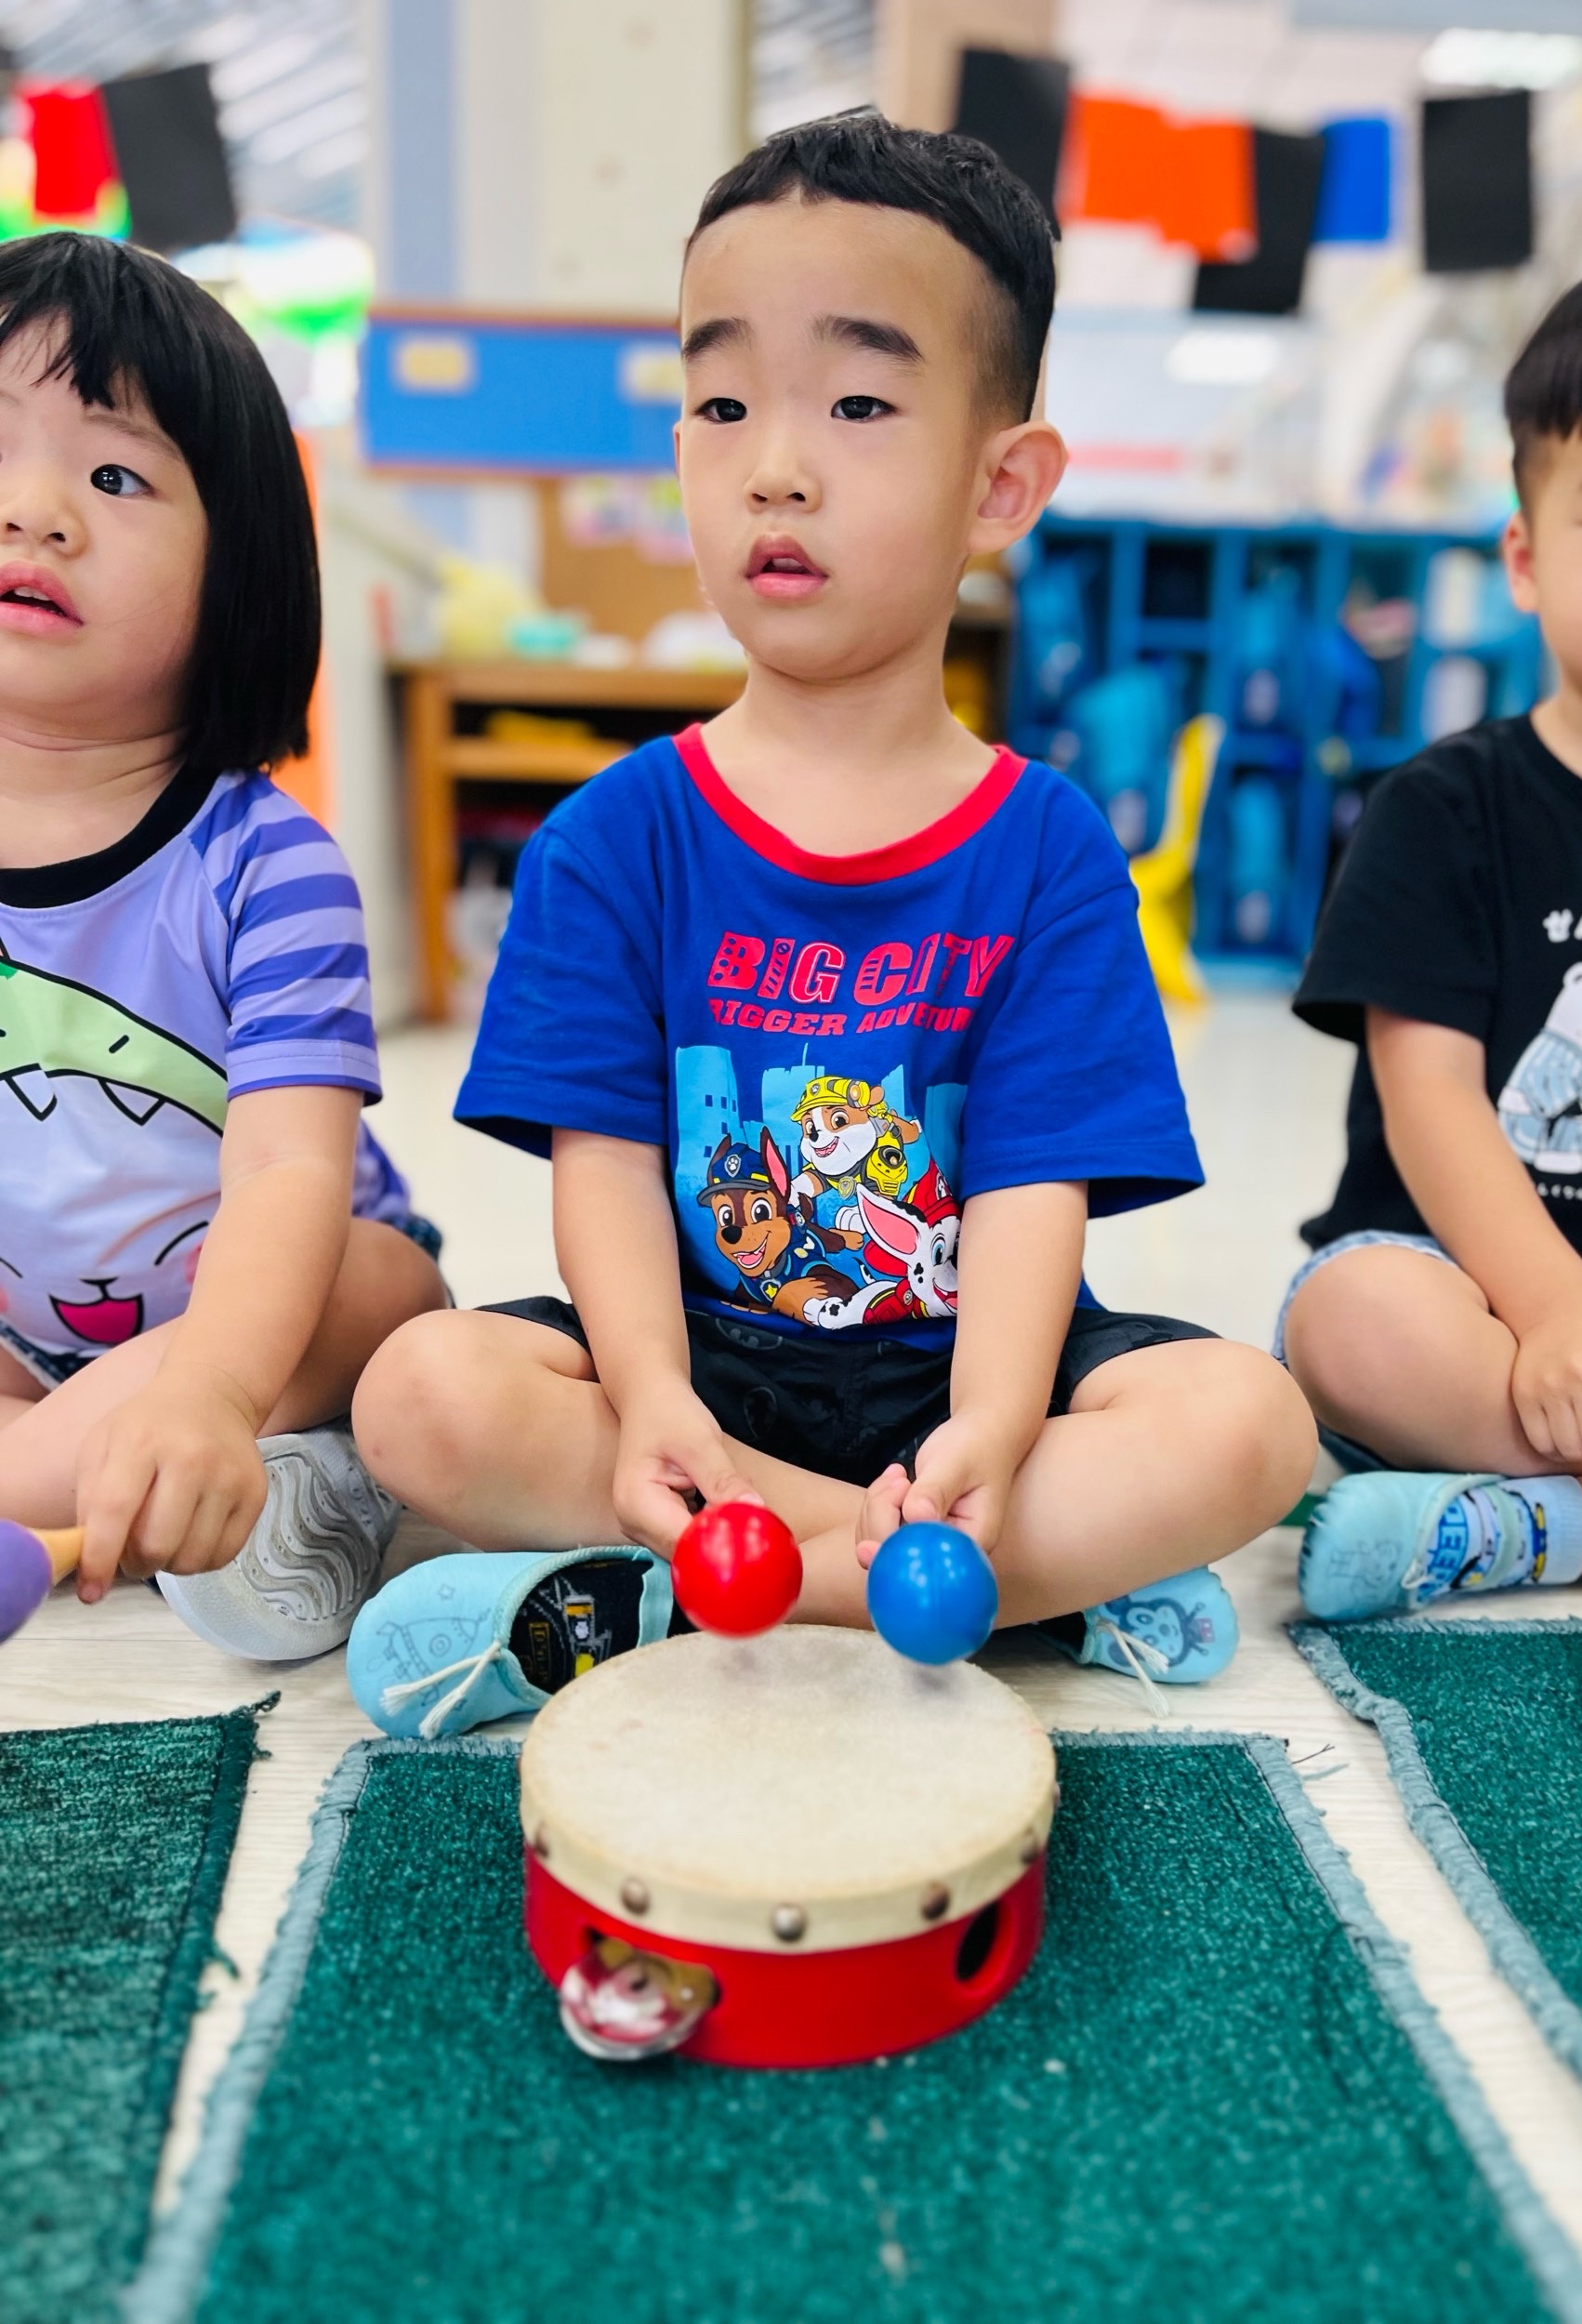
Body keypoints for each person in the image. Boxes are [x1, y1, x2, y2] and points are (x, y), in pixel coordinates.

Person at [348, 111, 1313, 1739]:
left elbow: (1031, 1187)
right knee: (422, 1395)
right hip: (704, 1366)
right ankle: (982, 1583)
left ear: (1000, 485)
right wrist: (652, 1392)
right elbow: (603, 1169)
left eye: (858, 404)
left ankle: (718, 1582)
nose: (774, 466)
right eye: (723, 404)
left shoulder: (1047, 849)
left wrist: (996, 1422)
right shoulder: (614, 838)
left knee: (1250, 1423)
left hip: (968, 1374)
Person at [1284, 236, 1582, 1623]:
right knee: (1352, 1321)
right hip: (1484, 1309)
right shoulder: (1445, 807)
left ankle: (1554, 1525)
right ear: (1527, 559)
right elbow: (1430, 1097)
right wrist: (1558, 1314)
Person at [0, 233, 445, 1659]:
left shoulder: (263, 865)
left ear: (235, 570)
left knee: (387, 1293)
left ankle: (192, 1453)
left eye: (114, 477)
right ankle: (146, 1478)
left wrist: (207, 1389)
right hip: (36, 1332)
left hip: (283, 1307)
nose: (33, 511)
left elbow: (284, 1173)